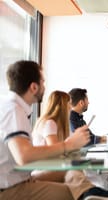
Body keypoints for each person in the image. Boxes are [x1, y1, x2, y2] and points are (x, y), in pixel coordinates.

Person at [0, 60, 89, 200]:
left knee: (72, 171)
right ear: (34, 87)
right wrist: (69, 145)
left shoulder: (12, 108)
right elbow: (24, 156)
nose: (44, 86)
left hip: (21, 178)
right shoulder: (14, 111)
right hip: (10, 189)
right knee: (72, 194)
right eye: (43, 82)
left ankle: (96, 195)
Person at [32, 90, 108, 200]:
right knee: (94, 168)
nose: (70, 108)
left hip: (58, 163)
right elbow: (56, 152)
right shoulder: (49, 123)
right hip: (52, 166)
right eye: (68, 104)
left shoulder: (52, 123)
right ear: (61, 105)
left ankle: (105, 196)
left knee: (101, 164)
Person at [69, 88, 108, 195]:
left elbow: (91, 137)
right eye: (87, 100)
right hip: (79, 162)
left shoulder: (79, 119)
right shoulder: (71, 119)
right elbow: (85, 139)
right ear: (81, 102)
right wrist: (101, 139)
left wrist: (104, 138)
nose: (89, 102)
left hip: (84, 159)